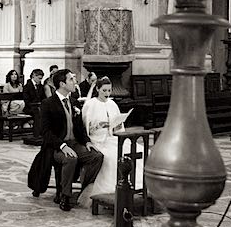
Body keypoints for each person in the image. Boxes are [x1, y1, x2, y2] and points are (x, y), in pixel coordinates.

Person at [29, 69, 104, 212]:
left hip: (75, 143)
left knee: (97, 156)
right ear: (62, 84)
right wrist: (62, 146)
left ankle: (84, 191)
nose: (75, 82)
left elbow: (80, 127)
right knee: (71, 158)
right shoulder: (48, 103)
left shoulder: (73, 101)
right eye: (71, 79)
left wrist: (87, 141)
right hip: (56, 146)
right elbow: (45, 132)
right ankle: (65, 196)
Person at [75, 77, 145, 208]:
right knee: (113, 157)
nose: (107, 93)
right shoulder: (91, 104)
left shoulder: (112, 104)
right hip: (97, 140)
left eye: (109, 90)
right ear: (97, 89)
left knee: (137, 151)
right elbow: (84, 127)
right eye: (104, 90)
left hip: (111, 137)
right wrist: (99, 126)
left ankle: (138, 186)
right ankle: (114, 191)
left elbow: (118, 126)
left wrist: (117, 124)